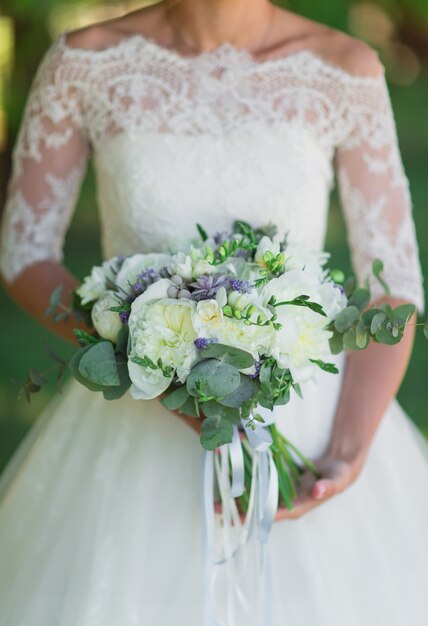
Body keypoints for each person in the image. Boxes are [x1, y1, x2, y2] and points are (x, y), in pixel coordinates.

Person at [0, 1, 427, 624]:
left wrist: (347, 452)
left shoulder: (343, 69)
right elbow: (25, 253)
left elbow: (395, 284)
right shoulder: (84, 63)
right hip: (132, 417)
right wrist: (140, 354)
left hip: (300, 423)